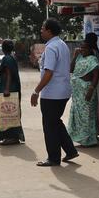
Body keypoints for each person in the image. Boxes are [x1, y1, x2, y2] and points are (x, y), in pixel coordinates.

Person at [30, 18, 78, 167]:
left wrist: (36, 91)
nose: (41, 31)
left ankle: (53, 158)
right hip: (63, 92)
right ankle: (70, 150)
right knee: (55, 122)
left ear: (49, 31)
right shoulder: (62, 45)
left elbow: (48, 72)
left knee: (49, 126)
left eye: (43, 28)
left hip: (52, 94)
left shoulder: (51, 48)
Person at [68, 41, 99, 147]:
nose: (82, 50)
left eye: (85, 48)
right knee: (78, 116)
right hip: (77, 93)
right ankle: (80, 138)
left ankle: (89, 140)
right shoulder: (79, 57)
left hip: (86, 90)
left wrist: (91, 90)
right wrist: (75, 56)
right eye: (81, 48)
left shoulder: (93, 59)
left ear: (90, 49)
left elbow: (96, 75)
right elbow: (71, 69)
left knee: (87, 115)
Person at [0, 40, 25, 145]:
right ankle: (10, 136)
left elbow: (8, 73)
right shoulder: (12, 57)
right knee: (10, 112)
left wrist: (6, 88)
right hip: (12, 87)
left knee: (7, 113)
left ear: (3, 48)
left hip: (8, 88)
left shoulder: (7, 58)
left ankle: (11, 137)